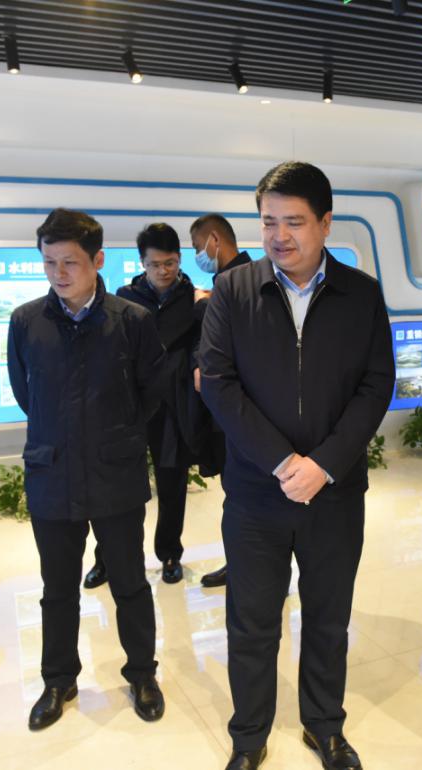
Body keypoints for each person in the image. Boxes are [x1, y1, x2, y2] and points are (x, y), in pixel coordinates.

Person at [199, 162, 394, 770]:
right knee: (251, 621)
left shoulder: (361, 293)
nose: (279, 236)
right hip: (257, 493)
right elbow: (218, 384)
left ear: (325, 223)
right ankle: (249, 735)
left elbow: (376, 384)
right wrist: (284, 462)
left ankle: (324, 725)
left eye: (294, 222)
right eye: (268, 222)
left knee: (329, 617)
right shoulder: (234, 290)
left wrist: (325, 465)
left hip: (334, 494)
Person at [7, 208, 167, 731]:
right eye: (49, 262)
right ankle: (58, 680)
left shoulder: (132, 321)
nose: (58, 273)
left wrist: (111, 435)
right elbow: (27, 394)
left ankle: (142, 674)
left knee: (129, 583)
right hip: (52, 472)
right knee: (57, 588)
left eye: (69, 262)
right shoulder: (26, 321)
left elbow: (151, 394)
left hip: (114, 472)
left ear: (98, 260)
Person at [82, 223, 199, 589]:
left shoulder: (193, 299)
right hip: (129, 405)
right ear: (142, 263)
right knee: (117, 486)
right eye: (155, 264)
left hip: (173, 406)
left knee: (172, 482)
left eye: (170, 263)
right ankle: (106, 558)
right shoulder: (124, 299)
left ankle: (170, 554)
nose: (163, 271)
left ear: (179, 259)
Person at [187, 213, 254, 589]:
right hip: (226, 412)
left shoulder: (244, 282)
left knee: (245, 495)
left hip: (242, 411)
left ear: (214, 240)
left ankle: (251, 569)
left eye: (198, 247)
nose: (198, 255)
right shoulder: (224, 282)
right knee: (236, 494)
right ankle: (242, 563)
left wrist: (204, 306)